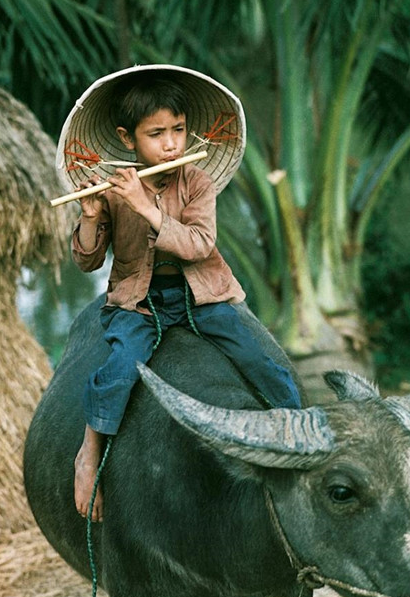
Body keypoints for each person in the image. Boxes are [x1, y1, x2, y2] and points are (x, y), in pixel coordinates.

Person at [62, 66, 302, 522]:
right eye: (156, 134)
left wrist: (145, 208)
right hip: (139, 303)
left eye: (178, 130)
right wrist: (92, 216)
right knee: (116, 369)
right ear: (128, 138)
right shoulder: (115, 189)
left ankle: (302, 435)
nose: (171, 143)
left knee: (260, 359)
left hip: (202, 295)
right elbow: (88, 261)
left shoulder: (196, 182)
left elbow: (199, 245)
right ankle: (88, 454)